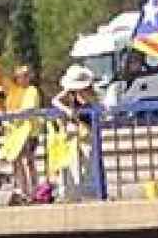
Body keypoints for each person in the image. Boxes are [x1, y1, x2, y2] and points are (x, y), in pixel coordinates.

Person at [49, 65, 98, 194]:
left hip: (88, 131)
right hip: (74, 132)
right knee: (73, 163)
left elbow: (97, 106)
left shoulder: (91, 93)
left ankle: (91, 190)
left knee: (89, 161)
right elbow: (55, 100)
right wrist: (67, 110)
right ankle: (73, 191)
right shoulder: (70, 92)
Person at [5, 65, 42, 204]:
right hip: (15, 133)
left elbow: (30, 109)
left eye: (27, 75)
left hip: (29, 132)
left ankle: (33, 191)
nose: (24, 78)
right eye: (21, 76)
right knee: (17, 162)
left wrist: (14, 114)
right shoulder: (14, 92)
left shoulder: (31, 90)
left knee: (28, 161)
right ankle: (22, 190)